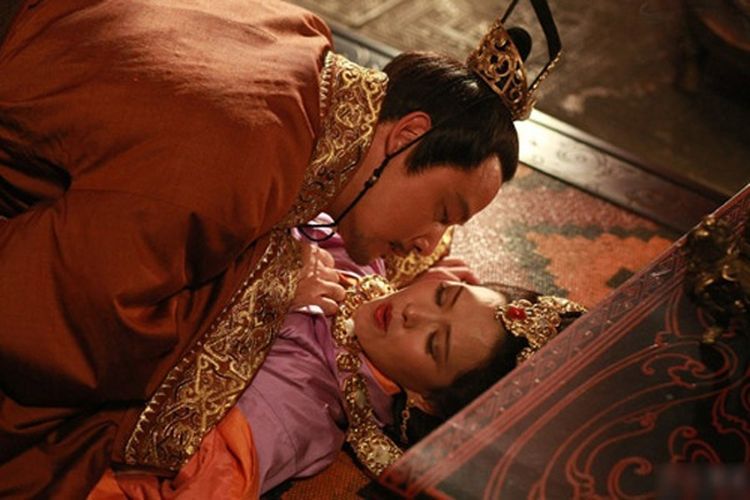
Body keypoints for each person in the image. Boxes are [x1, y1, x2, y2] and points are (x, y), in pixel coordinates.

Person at [0, 0, 559, 496]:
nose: (429, 242)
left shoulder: (304, 36)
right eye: (443, 211)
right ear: (408, 134)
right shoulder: (239, 169)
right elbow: (40, 319)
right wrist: (268, 283)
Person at [86, 225, 585, 498]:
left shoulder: (298, 412)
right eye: (444, 296)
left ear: (426, 400)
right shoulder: (368, 252)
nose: (413, 312)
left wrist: (265, 291)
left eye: (435, 344)